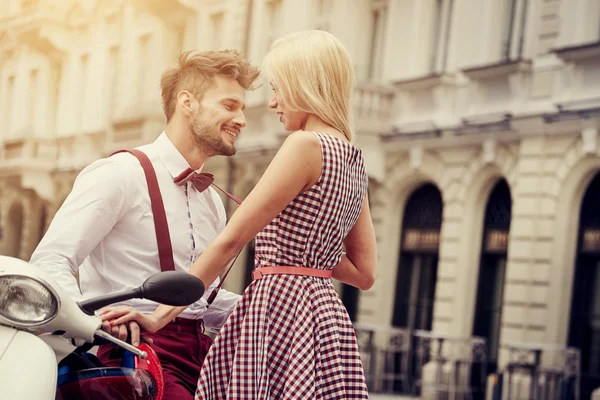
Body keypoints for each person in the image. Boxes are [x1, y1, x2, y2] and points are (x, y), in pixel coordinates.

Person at [101, 30, 377, 399]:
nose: (274, 103)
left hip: (279, 309)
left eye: (279, 88)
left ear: (304, 85)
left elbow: (231, 241)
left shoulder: (303, 145)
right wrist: (306, 246)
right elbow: (364, 273)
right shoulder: (354, 159)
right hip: (324, 317)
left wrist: (156, 317)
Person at [30, 49, 260, 399]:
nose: (242, 119)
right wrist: (95, 324)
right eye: (230, 106)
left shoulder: (211, 200)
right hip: (134, 355)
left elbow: (202, 303)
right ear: (187, 102)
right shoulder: (120, 174)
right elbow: (51, 260)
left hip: (202, 359)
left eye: (242, 108)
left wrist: (275, 308)